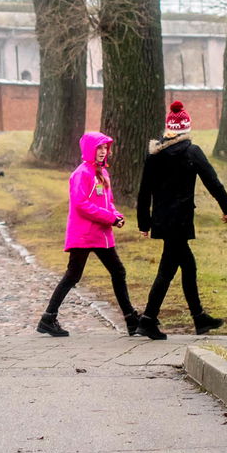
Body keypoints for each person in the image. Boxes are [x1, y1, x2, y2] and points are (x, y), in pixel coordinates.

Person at [135, 101, 227, 339]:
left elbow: (143, 191)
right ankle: (148, 320)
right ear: (185, 129)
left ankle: (199, 318)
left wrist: (144, 223)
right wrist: (226, 207)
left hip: (162, 220)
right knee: (167, 270)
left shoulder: (154, 156)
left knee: (187, 266)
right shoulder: (192, 152)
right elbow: (212, 180)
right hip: (180, 222)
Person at [37, 131, 140, 337]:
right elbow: (82, 204)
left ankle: (130, 319)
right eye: (99, 148)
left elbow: (107, 201)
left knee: (118, 271)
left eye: (105, 148)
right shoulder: (81, 173)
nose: (103, 152)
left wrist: (116, 215)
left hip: (101, 234)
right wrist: (109, 218)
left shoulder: (102, 173)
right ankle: (48, 318)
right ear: (89, 150)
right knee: (73, 275)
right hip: (84, 235)